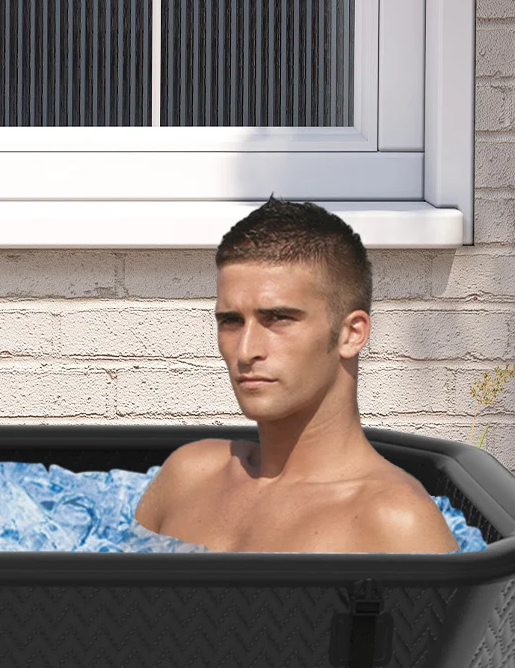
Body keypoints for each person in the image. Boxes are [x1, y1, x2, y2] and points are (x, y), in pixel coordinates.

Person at [135, 196, 458, 554]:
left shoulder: (397, 521)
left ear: (351, 334)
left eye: (278, 318)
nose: (245, 351)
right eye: (231, 321)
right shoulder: (187, 476)